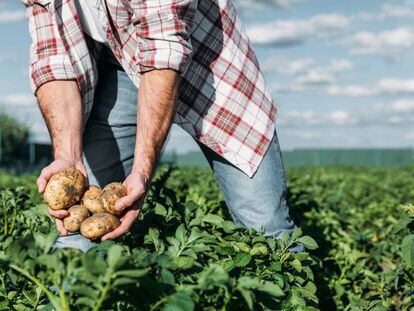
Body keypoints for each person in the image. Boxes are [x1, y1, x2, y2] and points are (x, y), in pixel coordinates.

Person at [22, 0, 304, 253]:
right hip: (112, 61)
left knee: (268, 231)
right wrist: (67, 157)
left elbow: (163, 48)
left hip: (208, 62)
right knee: (79, 225)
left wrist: (142, 171)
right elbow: (52, 59)